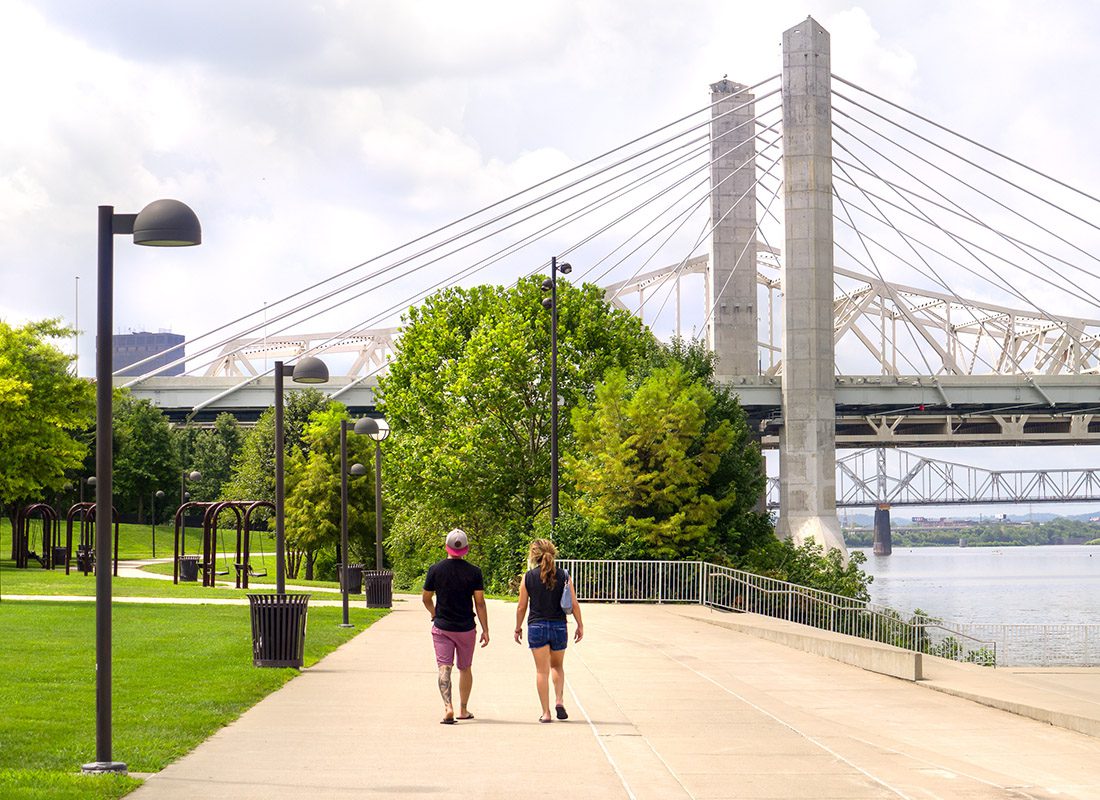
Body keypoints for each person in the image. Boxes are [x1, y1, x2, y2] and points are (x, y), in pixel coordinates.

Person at [422, 528, 489, 724]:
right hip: (466, 628)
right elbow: (480, 602)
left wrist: (434, 614)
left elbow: (426, 598)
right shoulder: (475, 572)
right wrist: (485, 629)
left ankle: (447, 707)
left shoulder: (435, 570)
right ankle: (463, 710)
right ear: (466, 549)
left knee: (444, 667)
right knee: (465, 668)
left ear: (446, 547)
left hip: (442, 627)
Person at [514, 538, 584, 723]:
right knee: (557, 666)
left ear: (533, 555)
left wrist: (518, 627)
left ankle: (546, 713)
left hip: (536, 627)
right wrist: (580, 625)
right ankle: (559, 701)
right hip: (559, 626)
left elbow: (521, 607)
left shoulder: (527, 577)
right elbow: (574, 604)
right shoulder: (564, 576)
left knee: (541, 671)